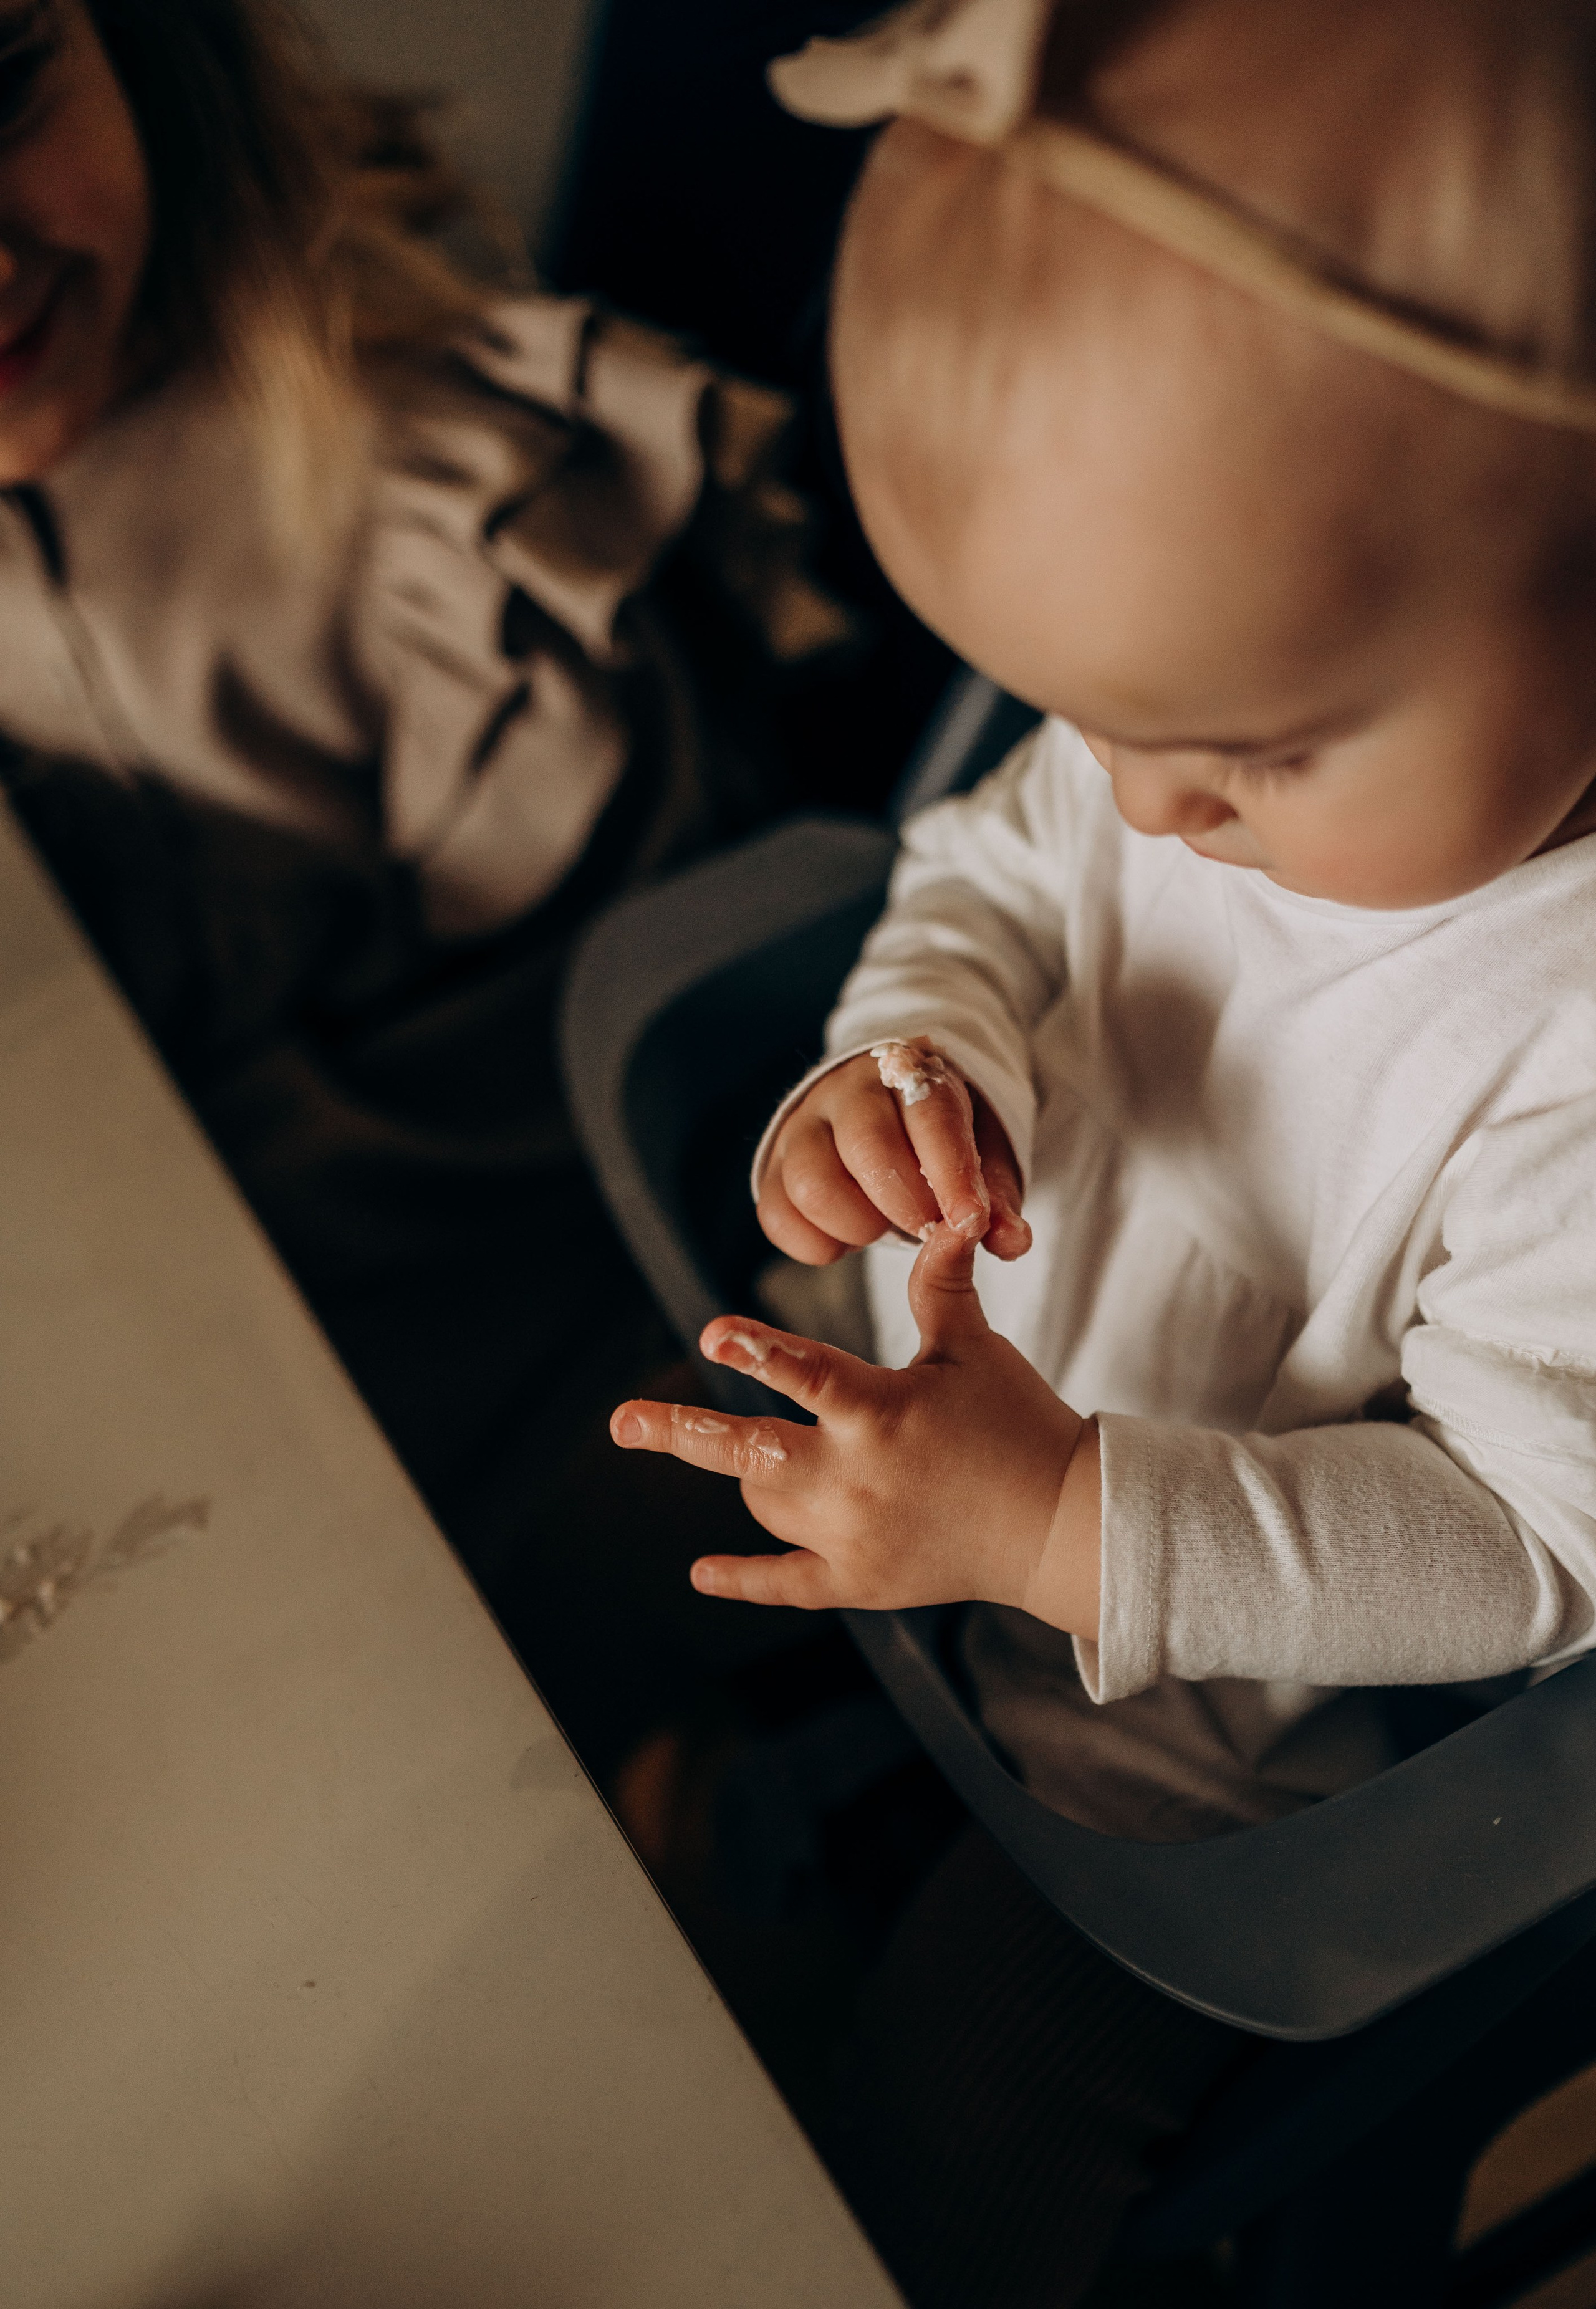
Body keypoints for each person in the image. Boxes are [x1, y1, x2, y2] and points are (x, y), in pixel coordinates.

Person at [610, 0, 1596, 2299]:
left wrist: (1063, 1518)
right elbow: (995, 868)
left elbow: (1534, 1543)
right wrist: (907, 1058)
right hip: (882, 1403)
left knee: (943, 2147)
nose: (1149, 805)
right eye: (1093, 713)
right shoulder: (1183, 691)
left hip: (1188, 1704)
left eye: (1243, 752)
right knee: (527, 1558)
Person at [0, 0, 847, 1598]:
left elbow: (608, 1070)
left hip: (548, 1274)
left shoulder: (435, 495)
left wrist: (136, 1252)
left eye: (2, 89)